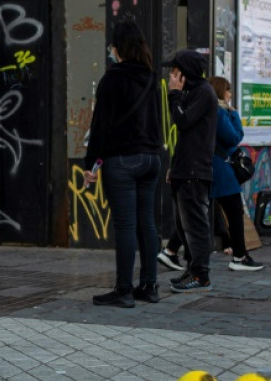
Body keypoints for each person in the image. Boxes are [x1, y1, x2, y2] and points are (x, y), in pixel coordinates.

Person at [83, 19, 164, 307]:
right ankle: (150, 286)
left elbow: (101, 126)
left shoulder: (113, 79)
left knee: (126, 226)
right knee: (147, 223)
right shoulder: (153, 78)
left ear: (118, 49)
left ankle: (124, 290)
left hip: (123, 160)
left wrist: (91, 164)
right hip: (151, 158)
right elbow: (158, 122)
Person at [164, 50, 218, 293]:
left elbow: (182, 121)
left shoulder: (204, 93)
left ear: (184, 73)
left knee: (195, 225)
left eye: (175, 71)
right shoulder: (193, 93)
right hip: (184, 169)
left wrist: (174, 94)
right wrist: (175, 168)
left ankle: (200, 274)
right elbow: (185, 136)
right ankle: (192, 269)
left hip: (195, 171)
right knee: (183, 224)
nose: (171, 76)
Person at [207, 76, 264, 272]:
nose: (230, 94)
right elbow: (234, 137)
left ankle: (171, 250)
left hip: (214, 168)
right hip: (223, 171)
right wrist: (234, 115)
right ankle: (239, 256)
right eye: (228, 90)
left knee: (198, 211)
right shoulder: (220, 112)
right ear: (221, 91)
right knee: (234, 213)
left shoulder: (209, 110)